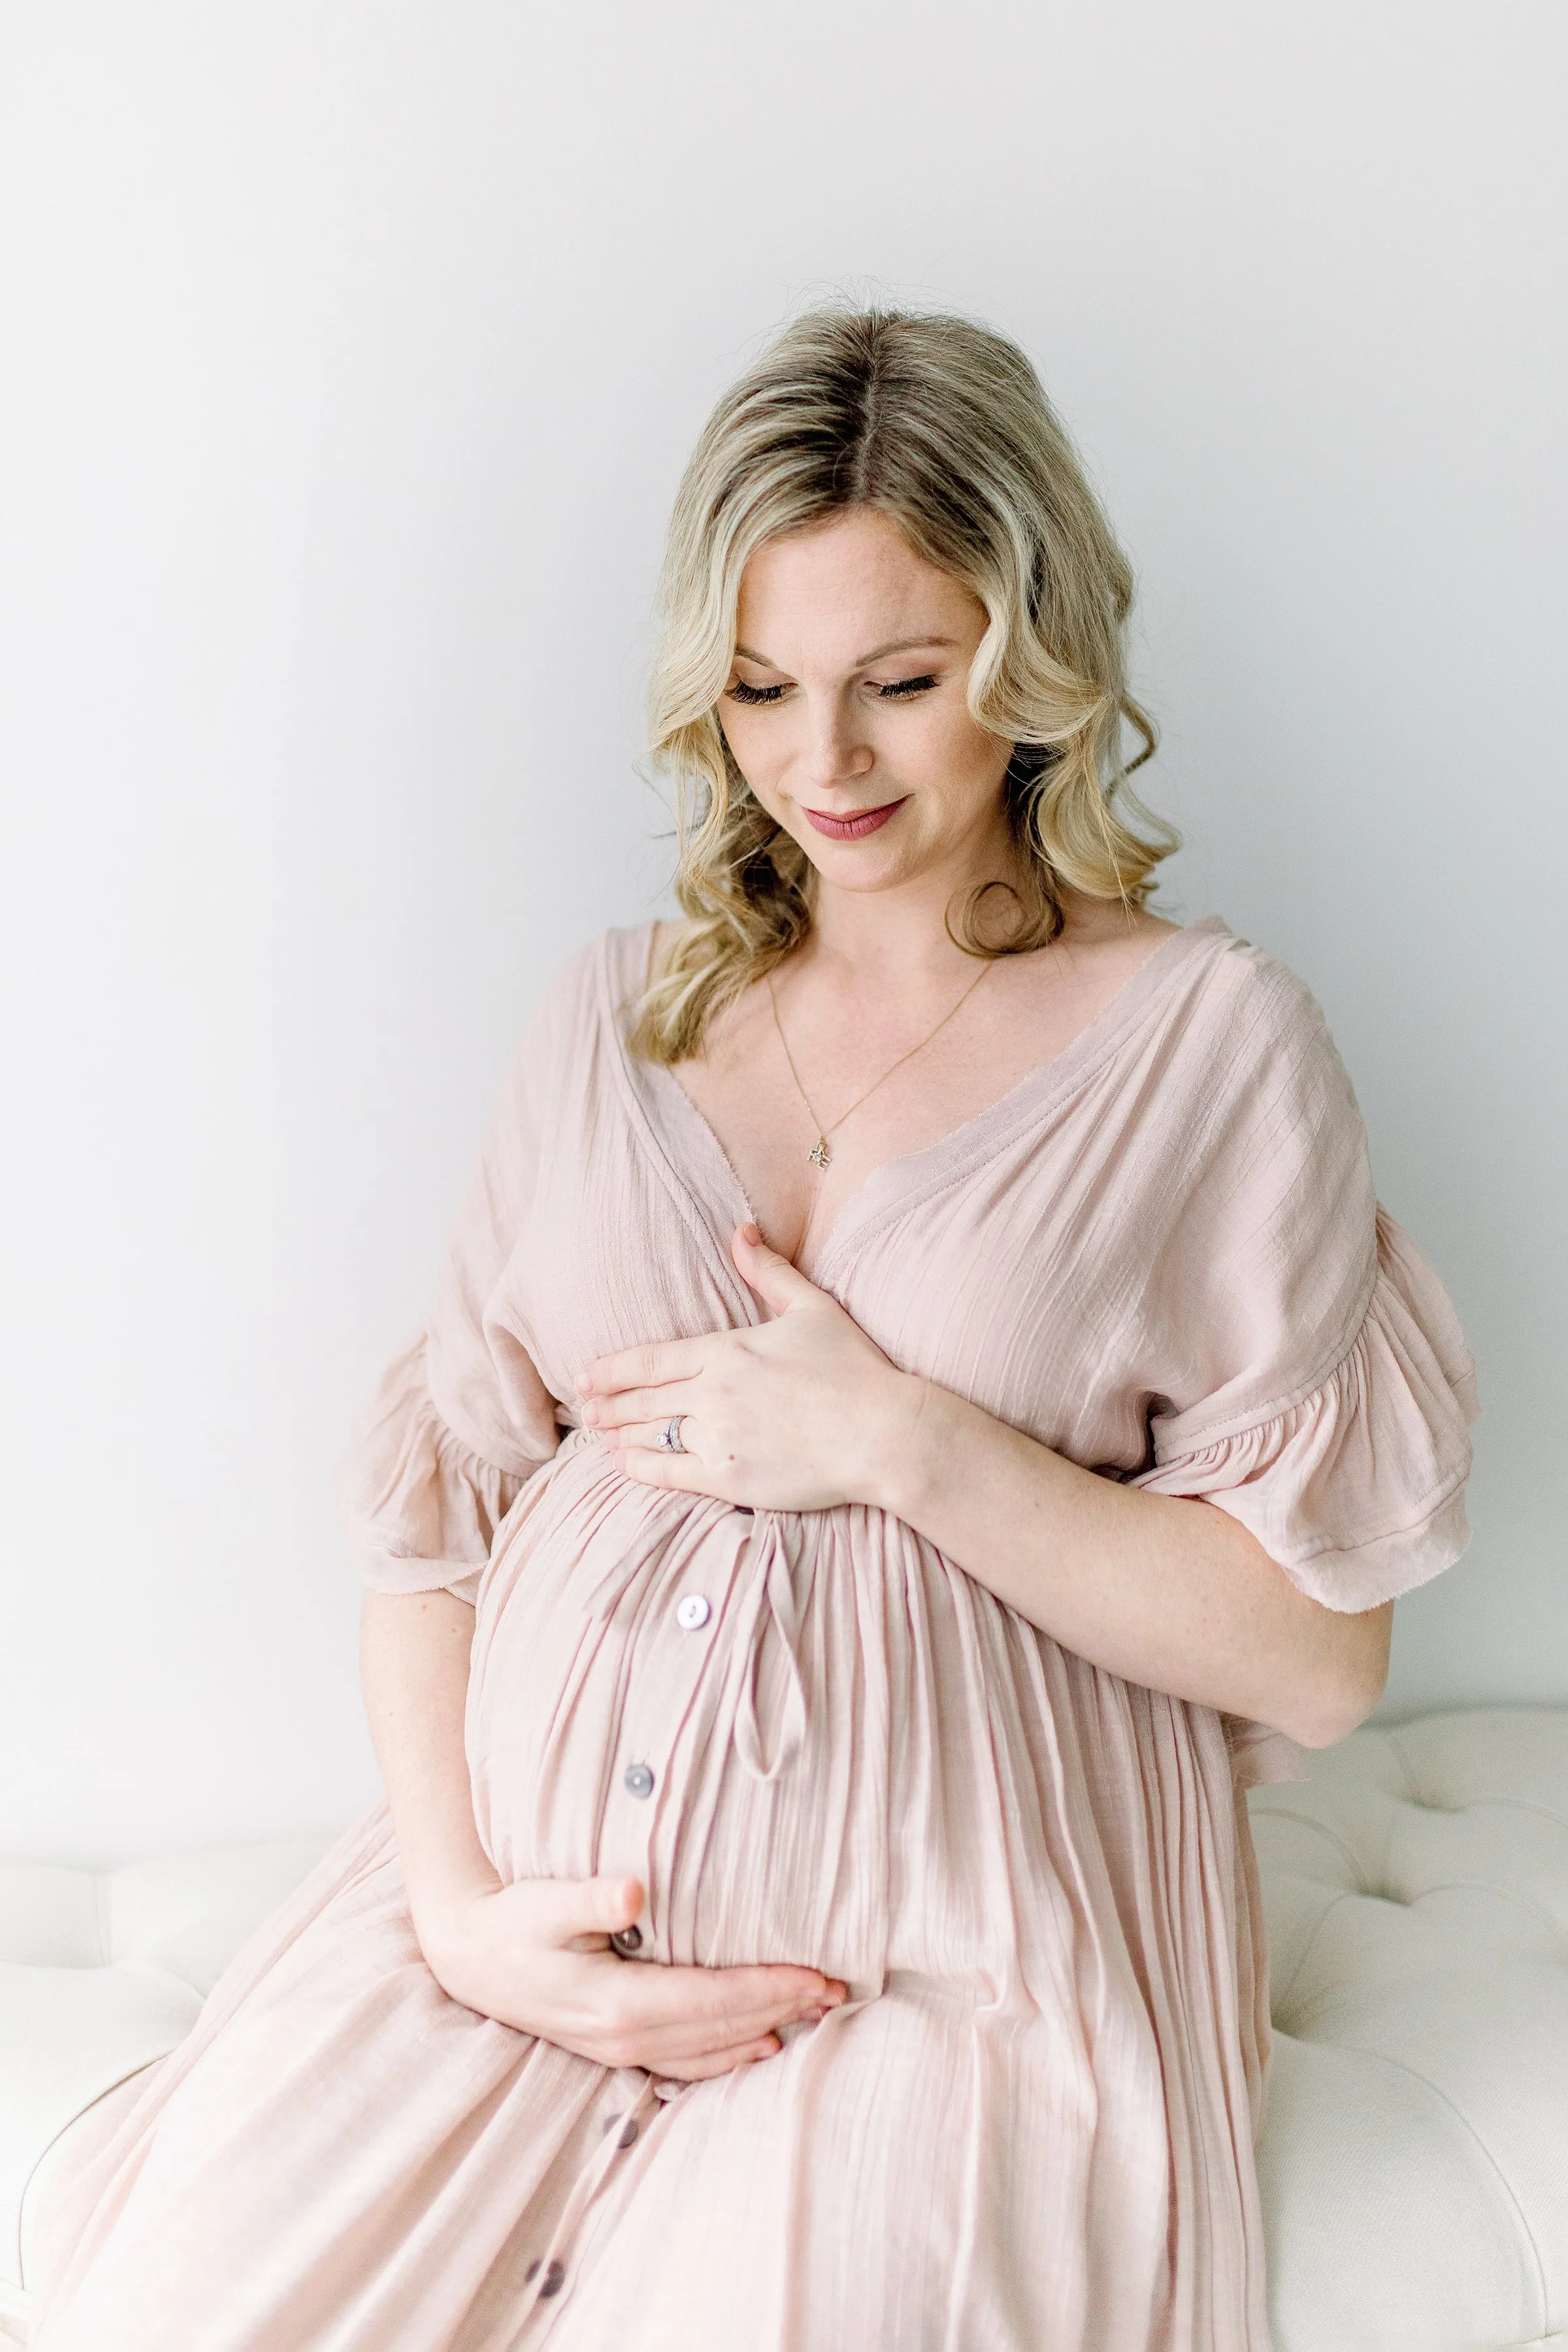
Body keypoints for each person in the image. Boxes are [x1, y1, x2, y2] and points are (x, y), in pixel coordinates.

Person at [32, 308, 1477, 2352]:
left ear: (1035, 656)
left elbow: (1322, 1660)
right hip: (507, 1949)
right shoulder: (611, 1018)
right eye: (762, 689)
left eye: (902, 680)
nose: (826, 764)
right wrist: (461, 1912)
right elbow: (434, 1533)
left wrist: (905, 1443)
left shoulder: (1207, 1048)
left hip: (945, 1980)